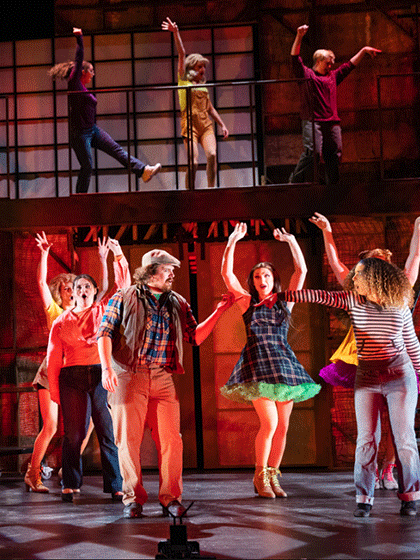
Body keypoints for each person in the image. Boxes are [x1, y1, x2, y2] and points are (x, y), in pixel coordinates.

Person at [274, 257, 420, 517]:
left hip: (400, 375)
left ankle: (410, 497)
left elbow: (413, 345)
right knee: (367, 438)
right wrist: (281, 295)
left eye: (360, 275)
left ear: (376, 278)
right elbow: (318, 295)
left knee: (404, 438)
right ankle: (364, 499)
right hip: (367, 376)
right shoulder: (353, 301)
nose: (354, 279)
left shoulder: (399, 305)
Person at [97, 249, 235, 518]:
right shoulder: (124, 296)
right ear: (151, 271)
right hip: (128, 372)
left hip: (162, 376)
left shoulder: (178, 302)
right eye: (167, 268)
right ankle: (133, 499)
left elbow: (194, 337)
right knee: (128, 441)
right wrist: (105, 369)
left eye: (173, 269)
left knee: (172, 440)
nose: (172, 273)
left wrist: (219, 312)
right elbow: (104, 332)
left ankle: (171, 498)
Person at [310, 212, 420, 490]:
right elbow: (335, 264)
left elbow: (414, 259)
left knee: (401, 426)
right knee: (372, 424)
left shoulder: (401, 286)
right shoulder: (355, 291)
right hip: (362, 356)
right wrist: (327, 231)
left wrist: (418, 228)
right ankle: (369, 478)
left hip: (397, 358)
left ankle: (389, 468)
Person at [220, 223, 321, 498]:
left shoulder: (284, 302)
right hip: (257, 366)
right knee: (270, 424)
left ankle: (273, 476)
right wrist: (232, 241)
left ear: (272, 279)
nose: (260, 280)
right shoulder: (247, 304)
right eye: (256, 277)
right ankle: (259, 475)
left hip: (283, 366)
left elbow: (301, 271)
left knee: (283, 426)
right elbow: (227, 274)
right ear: (252, 282)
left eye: (265, 275)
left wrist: (291, 241)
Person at [24, 232, 110, 493]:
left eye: (76, 288)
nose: (73, 292)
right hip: (52, 374)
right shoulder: (57, 312)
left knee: (88, 425)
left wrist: (103, 258)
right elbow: (40, 282)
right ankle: (32, 473)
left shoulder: (89, 310)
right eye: (67, 289)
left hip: (80, 375)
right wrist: (44, 253)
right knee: (50, 426)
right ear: (60, 292)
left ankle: (66, 470)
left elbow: (104, 289)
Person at [47, 238, 130, 502]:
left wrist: (117, 256)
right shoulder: (61, 321)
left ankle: (116, 485)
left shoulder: (103, 310)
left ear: (94, 291)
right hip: (71, 378)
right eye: (77, 287)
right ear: (71, 292)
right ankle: (70, 483)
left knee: (107, 431)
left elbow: (122, 286)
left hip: (99, 375)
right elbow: (53, 358)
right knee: (73, 434)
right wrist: (53, 390)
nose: (81, 290)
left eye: (86, 287)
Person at [49, 27, 161, 194]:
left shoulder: (83, 89)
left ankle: (142, 171)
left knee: (117, 150)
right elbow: (79, 57)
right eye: (92, 71)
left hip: (92, 130)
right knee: (87, 165)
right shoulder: (75, 84)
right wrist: (79, 38)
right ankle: (80, 199)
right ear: (83, 72)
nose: (93, 74)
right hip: (79, 134)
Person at [289, 25, 381, 186]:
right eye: (328, 63)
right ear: (318, 61)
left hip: (331, 122)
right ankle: (295, 180)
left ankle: (332, 185)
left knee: (334, 154)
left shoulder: (332, 77)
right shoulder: (307, 75)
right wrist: (299, 36)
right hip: (313, 121)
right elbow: (295, 58)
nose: (331, 67)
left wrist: (364, 50)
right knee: (313, 154)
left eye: (332, 64)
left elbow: (349, 66)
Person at [161, 17, 229, 189]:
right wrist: (176, 33)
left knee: (212, 154)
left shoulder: (204, 87)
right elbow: (181, 54)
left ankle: (211, 189)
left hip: (205, 124)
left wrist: (222, 125)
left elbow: (210, 108)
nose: (202, 70)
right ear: (192, 68)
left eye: (203, 67)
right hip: (189, 124)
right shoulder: (184, 80)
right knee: (193, 163)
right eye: (199, 67)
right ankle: (190, 193)